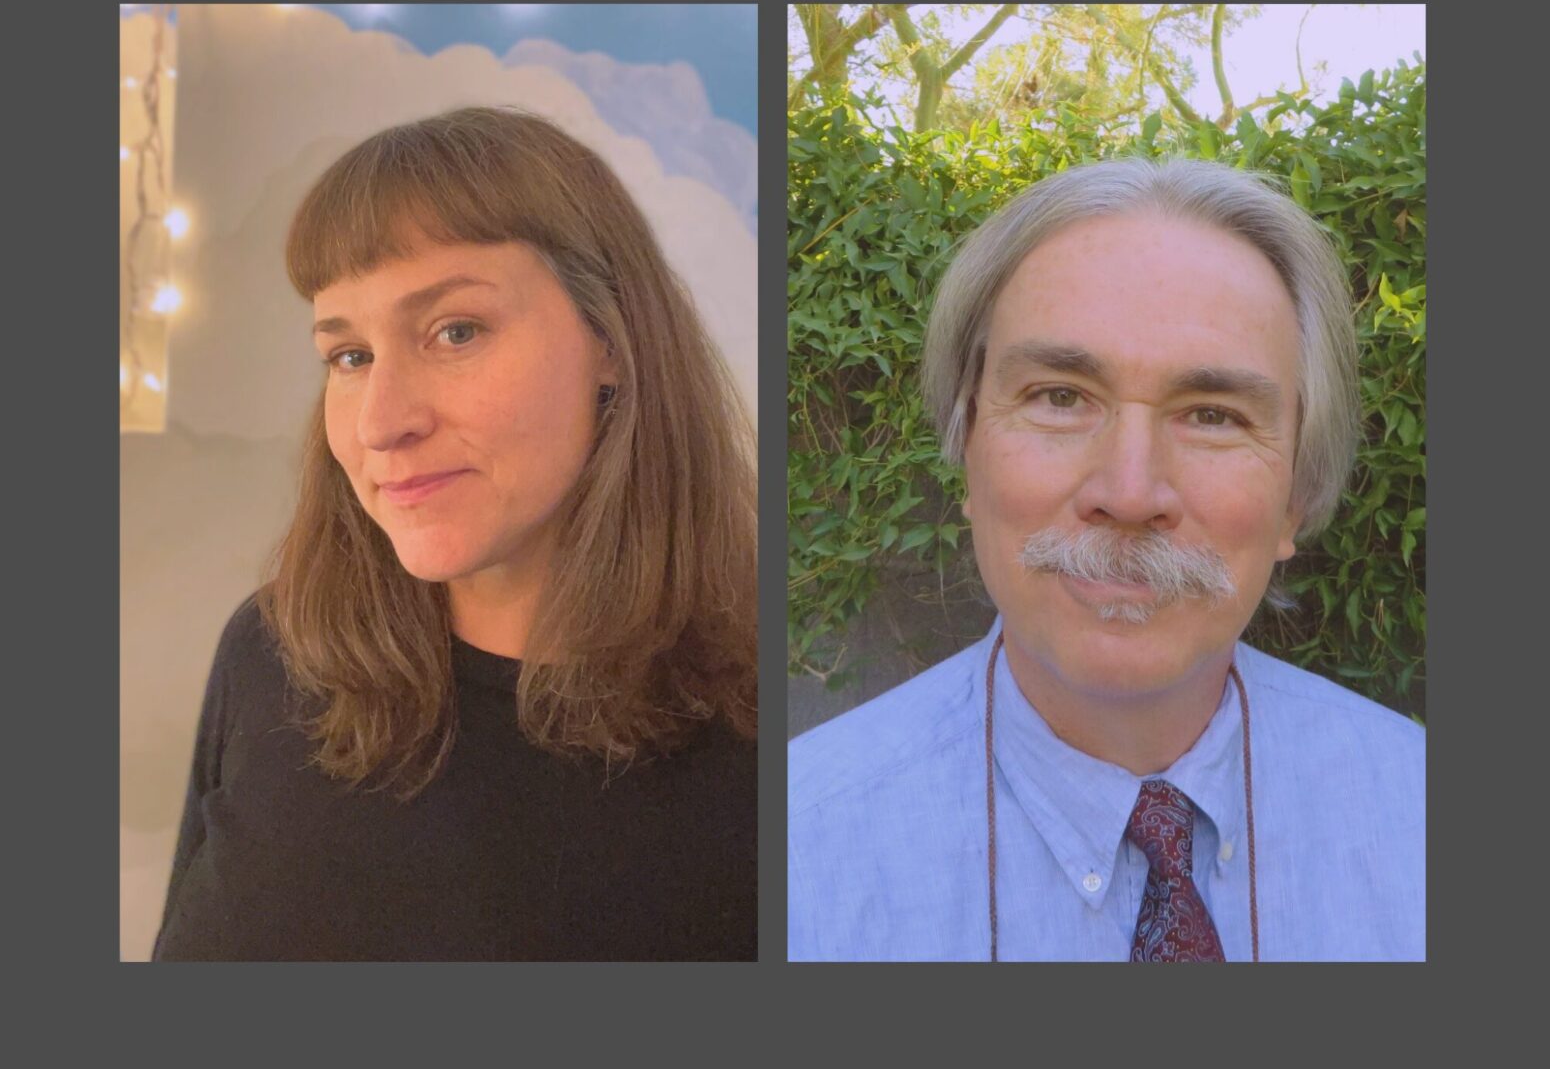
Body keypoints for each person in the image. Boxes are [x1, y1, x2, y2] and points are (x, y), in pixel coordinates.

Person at [155, 107, 758, 961]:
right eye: (349, 356)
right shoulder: (269, 653)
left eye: (456, 331)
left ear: (612, 343)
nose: (381, 423)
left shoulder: (763, 744)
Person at [787, 158, 1424, 962]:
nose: (1129, 492)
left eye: (1213, 415)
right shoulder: (792, 852)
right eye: (1060, 397)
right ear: (967, 450)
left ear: (1296, 493)